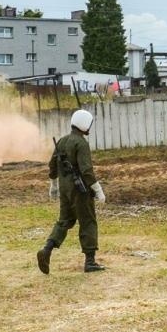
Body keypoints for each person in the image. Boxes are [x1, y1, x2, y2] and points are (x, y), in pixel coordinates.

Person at [37, 109, 107, 274]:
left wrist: (53, 185)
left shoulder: (61, 141)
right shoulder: (81, 143)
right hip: (80, 191)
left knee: (64, 221)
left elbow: (52, 166)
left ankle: (47, 249)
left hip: (65, 190)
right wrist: (98, 189)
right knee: (88, 222)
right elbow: (87, 170)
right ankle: (90, 261)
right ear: (84, 125)